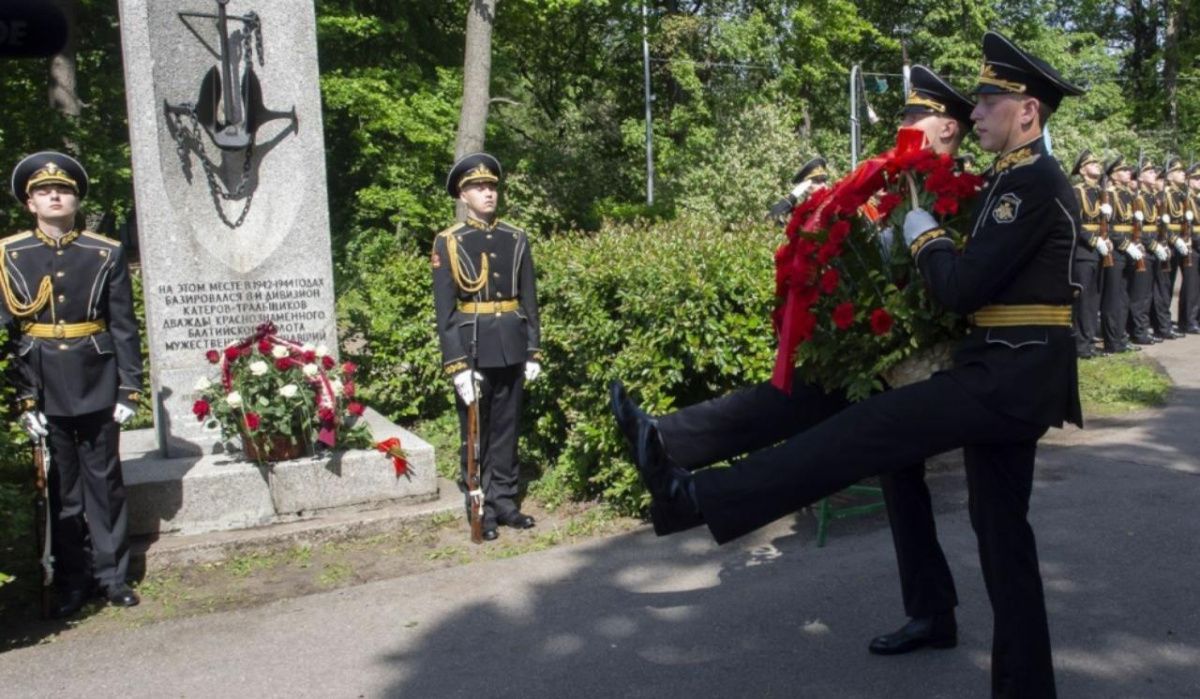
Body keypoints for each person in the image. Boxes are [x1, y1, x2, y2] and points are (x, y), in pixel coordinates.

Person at [617, 32, 1082, 698]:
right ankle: (1025, 685)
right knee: (1002, 533)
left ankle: (696, 496)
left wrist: (923, 235)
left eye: (988, 99)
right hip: (1007, 370)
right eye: (975, 100)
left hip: (1007, 376)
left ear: (1027, 112)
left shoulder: (1031, 183)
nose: (975, 110)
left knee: (865, 434)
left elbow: (959, 288)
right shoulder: (1013, 180)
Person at [614, 64, 975, 659]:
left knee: (832, 455)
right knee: (855, 449)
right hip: (881, 360)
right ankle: (667, 443)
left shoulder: (954, 192)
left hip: (921, 371)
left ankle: (682, 475)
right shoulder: (898, 187)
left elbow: (948, 283)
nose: (905, 127)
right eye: (906, 117)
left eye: (917, 119)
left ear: (946, 127)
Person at [1, 151, 143, 617]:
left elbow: (122, 324)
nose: (54, 196)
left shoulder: (104, 252)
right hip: (42, 383)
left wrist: (128, 388)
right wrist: (23, 399)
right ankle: (70, 579)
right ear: (30, 203)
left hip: (97, 378)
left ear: (76, 199)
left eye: (62, 190)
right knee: (62, 489)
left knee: (105, 484)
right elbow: (9, 332)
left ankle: (112, 576)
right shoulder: (9, 254)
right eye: (44, 191)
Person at [432, 152, 541, 541]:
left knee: (508, 428)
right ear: (463, 196)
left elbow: (529, 299)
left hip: (511, 343)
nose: (488, 193)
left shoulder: (516, 237)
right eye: (479, 187)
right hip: (473, 345)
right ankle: (480, 506)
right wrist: (457, 366)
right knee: (477, 432)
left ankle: (506, 503)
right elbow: (445, 312)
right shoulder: (449, 241)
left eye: (492, 186)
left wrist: (533, 350)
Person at [1069, 150, 1111, 358]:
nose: (1098, 166)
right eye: (1092, 163)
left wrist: (1107, 238)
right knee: (1083, 300)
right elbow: (1075, 222)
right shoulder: (1077, 192)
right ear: (1083, 169)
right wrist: (1095, 241)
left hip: (1099, 251)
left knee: (1094, 300)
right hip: (1084, 253)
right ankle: (1080, 345)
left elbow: (1102, 223)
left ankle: (1088, 342)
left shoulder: (1100, 192)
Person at [1128, 160, 1165, 343]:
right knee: (1140, 294)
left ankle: (1143, 328)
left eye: (1153, 171)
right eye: (1148, 171)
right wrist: (1152, 245)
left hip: (1153, 247)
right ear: (1140, 177)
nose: (1153, 174)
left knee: (1148, 292)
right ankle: (1139, 332)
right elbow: (1137, 229)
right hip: (1144, 248)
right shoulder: (1138, 198)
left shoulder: (1151, 197)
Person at [1159, 157, 1195, 333]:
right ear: (1170, 175)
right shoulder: (1164, 194)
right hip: (1168, 242)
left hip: (1182, 241)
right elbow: (1162, 223)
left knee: (1183, 283)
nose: (1183, 174)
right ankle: (1163, 324)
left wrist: (1186, 238)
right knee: (1165, 285)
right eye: (1179, 172)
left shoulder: (1181, 195)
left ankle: (1183, 322)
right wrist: (1175, 240)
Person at [1185, 163, 1200, 333]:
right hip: (1192, 244)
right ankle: (1189, 320)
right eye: (1196, 178)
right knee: (1191, 285)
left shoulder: (1197, 198)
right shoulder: (1185, 199)